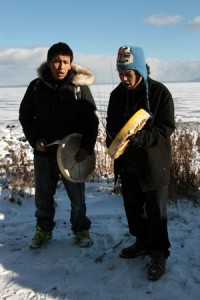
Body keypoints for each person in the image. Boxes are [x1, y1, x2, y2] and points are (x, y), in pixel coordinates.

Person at [19, 42, 99, 249]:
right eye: (56, 61)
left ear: (71, 64)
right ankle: (43, 230)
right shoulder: (36, 87)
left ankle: (81, 229)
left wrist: (86, 148)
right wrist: (35, 139)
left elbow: (91, 120)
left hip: (72, 154)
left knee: (78, 199)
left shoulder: (79, 88)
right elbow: (25, 115)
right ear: (49, 63)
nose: (60, 66)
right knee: (43, 198)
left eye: (65, 62)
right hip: (44, 153)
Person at [106, 45, 175, 280]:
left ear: (139, 71)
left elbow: (166, 127)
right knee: (133, 209)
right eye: (121, 74)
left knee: (156, 211)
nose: (124, 79)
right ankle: (141, 242)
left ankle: (158, 252)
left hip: (154, 164)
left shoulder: (159, 93)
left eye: (129, 74)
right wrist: (112, 140)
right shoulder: (117, 95)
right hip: (128, 165)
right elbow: (111, 125)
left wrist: (142, 138)